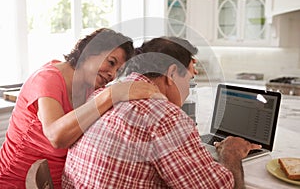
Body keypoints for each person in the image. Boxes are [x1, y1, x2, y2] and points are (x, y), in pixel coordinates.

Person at [62, 36, 262, 188]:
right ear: (172, 73)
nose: (187, 91)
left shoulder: (104, 94)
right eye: (189, 80)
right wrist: (231, 153)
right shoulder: (164, 115)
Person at [0, 28, 165, 188]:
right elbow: (56, 136)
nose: (112, 75)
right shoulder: (47, 78)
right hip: (18, 181)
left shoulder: (88, 85)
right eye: (111, 62)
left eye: (118, 71)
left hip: (63, 181)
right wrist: (111, 94)